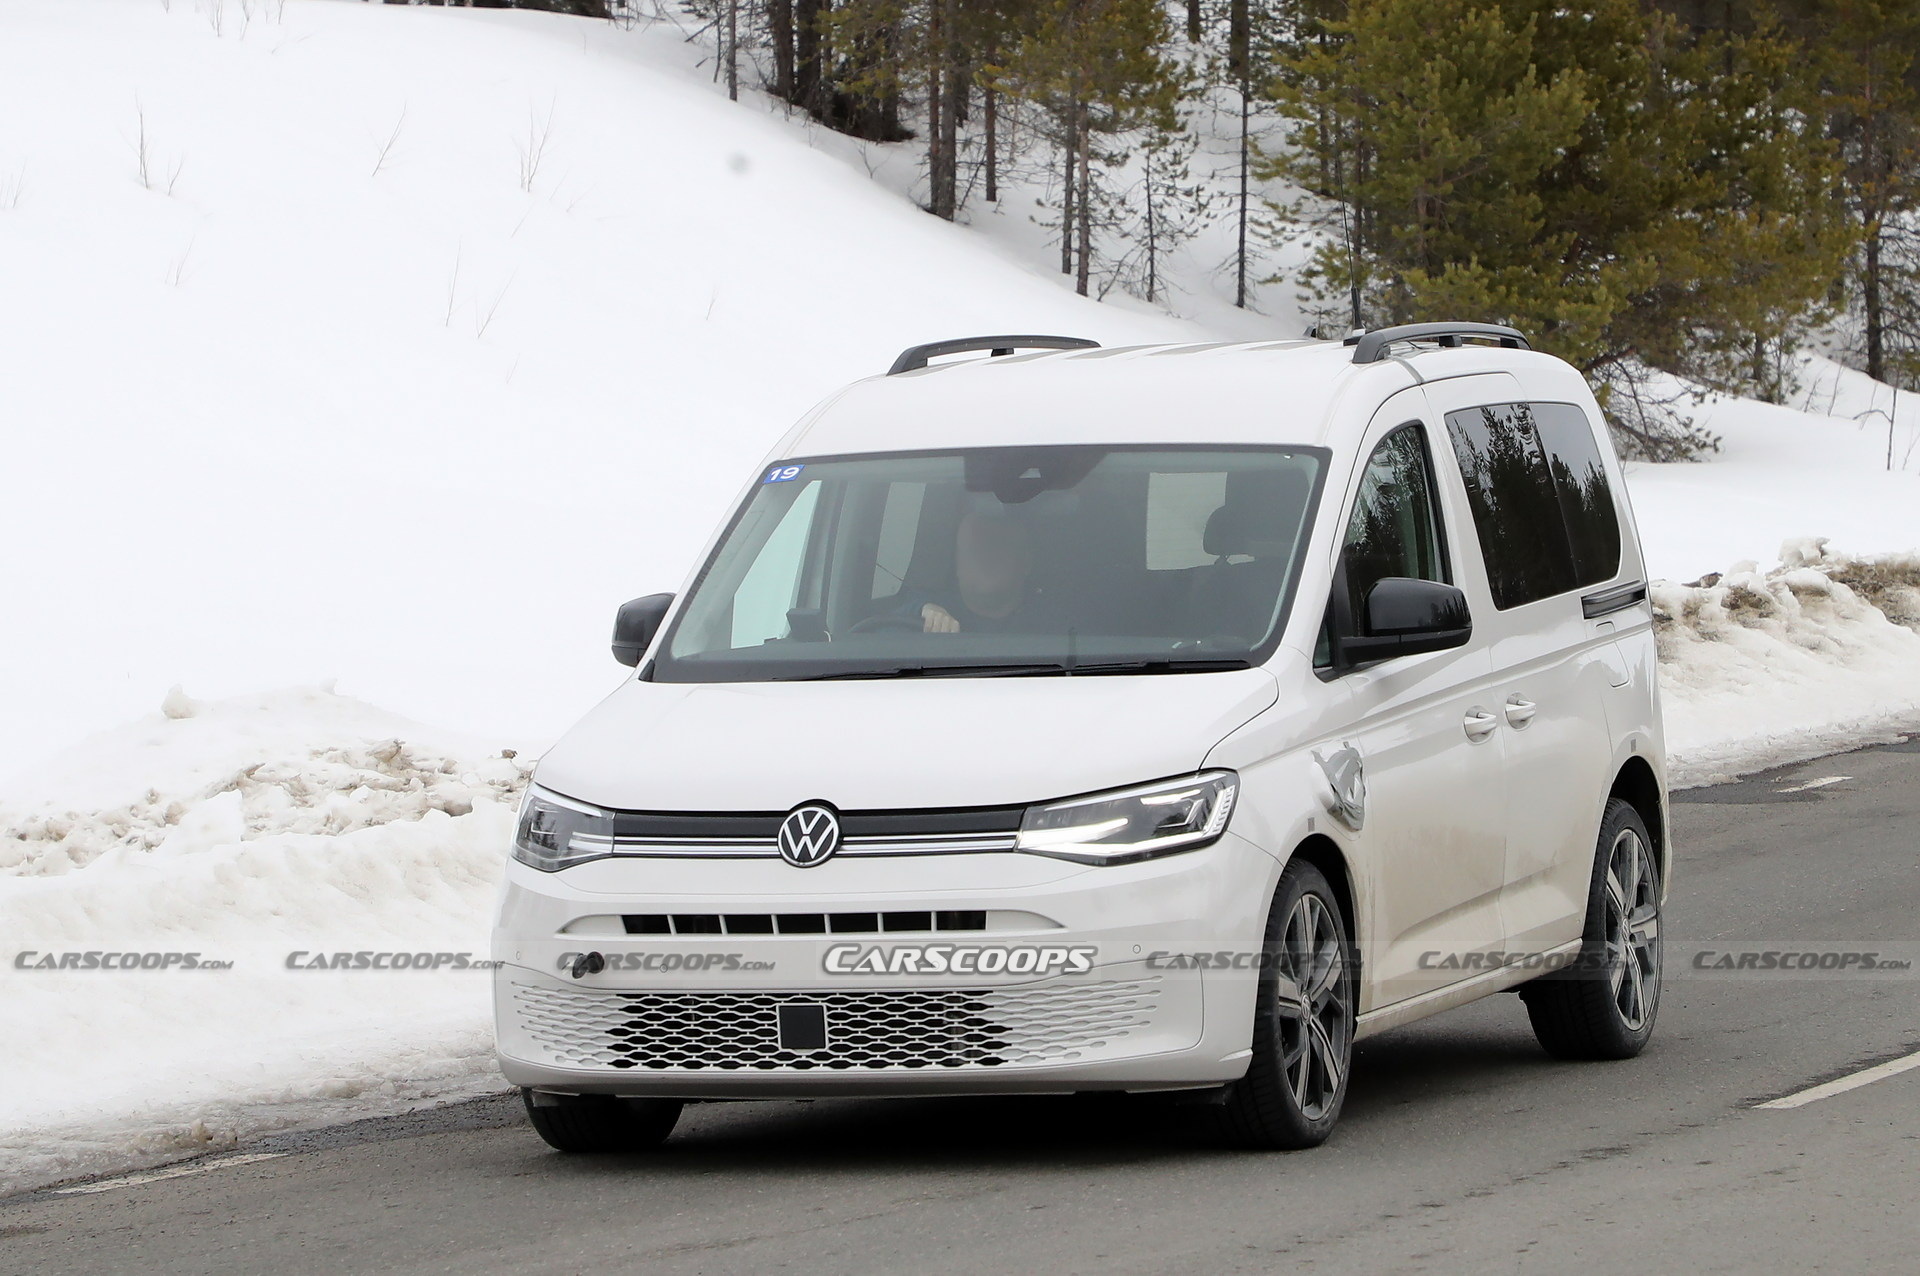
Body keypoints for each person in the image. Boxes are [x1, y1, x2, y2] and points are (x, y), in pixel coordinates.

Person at [917, 510, 1039, 633]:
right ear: (957, 564)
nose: (986, 557)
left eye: (996, 548)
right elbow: (901, 606)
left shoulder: (1053, 626)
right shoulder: (926, 614)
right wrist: (924, 610)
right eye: (975, 550)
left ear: (1026, 563)